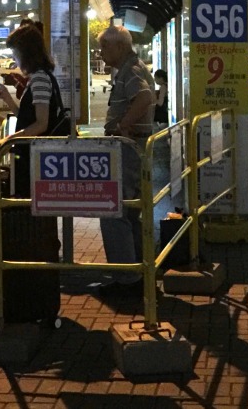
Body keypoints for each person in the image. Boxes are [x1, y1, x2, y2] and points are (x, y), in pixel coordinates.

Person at [97, 24, 155, 297]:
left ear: (120, 46)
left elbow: (144, 96)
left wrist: (123, 125)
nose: (101, 52)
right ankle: (137, 273)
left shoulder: (131, 70)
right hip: (134, 148)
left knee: (113, 212)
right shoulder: (133, 67)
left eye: (104, 46)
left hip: (127, 149)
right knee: (130, 213)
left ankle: (126, 281)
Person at [0, 22, 65, 197]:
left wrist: (8, 140)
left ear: (26, 52)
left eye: (15, 53)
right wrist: (6, 97)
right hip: (34, 157)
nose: (14, 59)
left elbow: (41, 124)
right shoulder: (38, 77)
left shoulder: (39, 79)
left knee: (31, 207)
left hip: (36, 160)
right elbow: (26, 119)